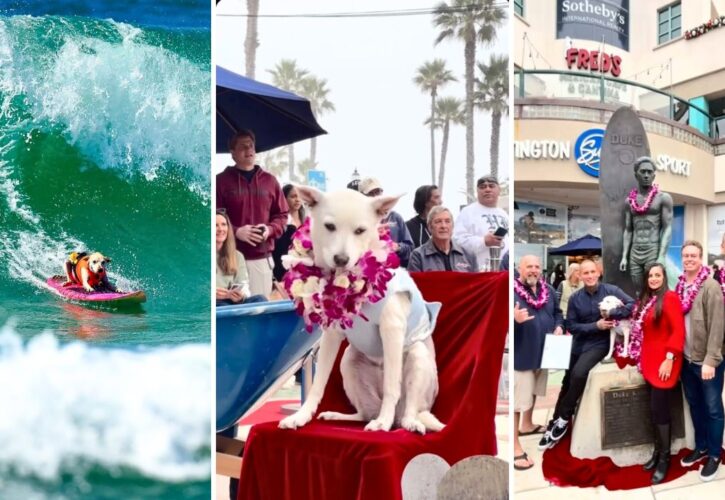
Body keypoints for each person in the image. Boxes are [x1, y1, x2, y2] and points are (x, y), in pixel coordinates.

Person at [539, 259, 635, 449]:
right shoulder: (575, 298)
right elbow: (571, 326)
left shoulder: (611, 290)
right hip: (579, 343)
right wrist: (595, 325)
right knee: (566, 382)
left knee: (579, 373)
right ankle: (555, 422)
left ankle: (564, 417)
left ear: (598, 273)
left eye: (593, 272)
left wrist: (612, 313)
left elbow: (632, 304)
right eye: (586, 273)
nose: (590, 276)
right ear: (580, 275)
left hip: (599, 343)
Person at [216, 130, 288, 296]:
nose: (249, 150)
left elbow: (282, 216)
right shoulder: (220, 181)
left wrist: (269, 230)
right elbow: (213, 217)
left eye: (251, 146)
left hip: (260, 259)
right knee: (227, 312)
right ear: (232, 153)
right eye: (243, 147)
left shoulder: (270, 181)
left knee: (258, 310)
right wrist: (236, 232)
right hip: (227, 258)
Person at [676, 240, 724, 481]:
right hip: (686, 359)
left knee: (713, 408)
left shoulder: (711, 286)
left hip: (706, 361)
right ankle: (702, 446)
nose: (689, 259)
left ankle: (715, 454)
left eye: (693, 255)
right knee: (695, 405)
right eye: (685, 256)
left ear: (701, 258)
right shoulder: (680, 285)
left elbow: (718, 325)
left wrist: (711, 360)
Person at [513, 255, 563, 471]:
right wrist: (513, 319)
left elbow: (558, 313)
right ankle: (515, 446)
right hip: (521, 354)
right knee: (518, 400)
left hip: (544, 351)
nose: (533, 270)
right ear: (519, 269)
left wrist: (559, 326)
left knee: (533, 390)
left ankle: (527, 424)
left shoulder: (548, 290)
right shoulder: (511, 291)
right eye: (529, 267)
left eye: (536, 267)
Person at [637, 262, 685, 484]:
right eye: (650, 276)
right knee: (654, 411)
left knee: (661, 410)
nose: (654, 279)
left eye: (658, 275)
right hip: (649, 361)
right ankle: (658, 451)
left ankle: (666, 458)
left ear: (664, 277)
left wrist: (669, 359)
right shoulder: (648, 300)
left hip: (665, 363)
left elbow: (678, 331)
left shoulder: (671, 298)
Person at [620, 157, 673, 294]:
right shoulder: (629, 201)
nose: (646, 175)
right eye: (643, 172)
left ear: (654, 175)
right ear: (636, 174)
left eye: (649, 172)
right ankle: (641, 314)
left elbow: (667, 228)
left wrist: (662, 255)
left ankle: (655, 315)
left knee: (654, 290)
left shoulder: (663, 198)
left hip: (652, 249)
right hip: (635, 251)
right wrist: (624, 256)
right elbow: (628, 229)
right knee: (638, 290)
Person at [453, 175, 508, 271]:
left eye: (491, 186)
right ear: (477, 191)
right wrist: (483, 241)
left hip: (503, 271)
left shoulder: (504, 214)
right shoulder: (467, 212)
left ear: (498, 190)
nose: (487, 189)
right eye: (482, 187)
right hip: (479, 271)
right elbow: (457, 241)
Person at [359, 177, 414, 267]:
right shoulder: (357, 219)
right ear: (361, 196)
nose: (376, 196)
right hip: (365, 272)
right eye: (370, 193)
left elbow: (410, 249)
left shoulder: (395, 217)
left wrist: (397, 247)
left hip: (392, 272)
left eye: (378, 192)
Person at [216, 210, 267, 306]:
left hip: (232, 301)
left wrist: (241, 295)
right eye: (216, 225)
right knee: (223, 306)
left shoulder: (237, 256)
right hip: (216, 302)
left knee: (261, 299)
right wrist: (223, 295)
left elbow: (243, 284)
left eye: (223, 224)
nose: (221, 229)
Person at [408, 206, 477, 272]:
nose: (443, 226)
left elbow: (477, 282)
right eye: (438, 222)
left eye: (447, 221)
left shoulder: (468, 254)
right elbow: (412, 283)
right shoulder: (418, 256)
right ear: (429, 227)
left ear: (453, 226)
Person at [272, 184, 306, 282]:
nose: (297, 199)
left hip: (302, 267)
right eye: (293, 196)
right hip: (283, 268)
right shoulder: (278, 221)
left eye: (299, 196)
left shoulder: (307, 221)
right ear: (284, 199)